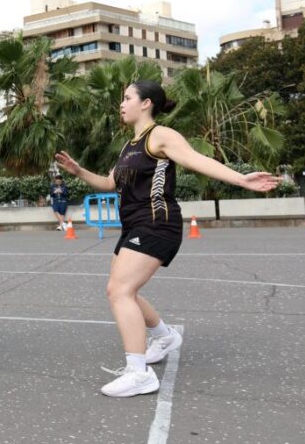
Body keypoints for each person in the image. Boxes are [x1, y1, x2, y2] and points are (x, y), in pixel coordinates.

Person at [55, 80, 280, 397]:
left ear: (146, 103)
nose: (122, 103)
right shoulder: (128, 146)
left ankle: (139, 373)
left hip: (157, 223)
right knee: (121, 289)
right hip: (134, 225)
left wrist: (241, 178)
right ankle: (164, 337)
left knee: (120, 290)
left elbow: (195, 159)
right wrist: (78, 171)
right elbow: (109, 183)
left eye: (127, 97)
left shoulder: (159, 136)